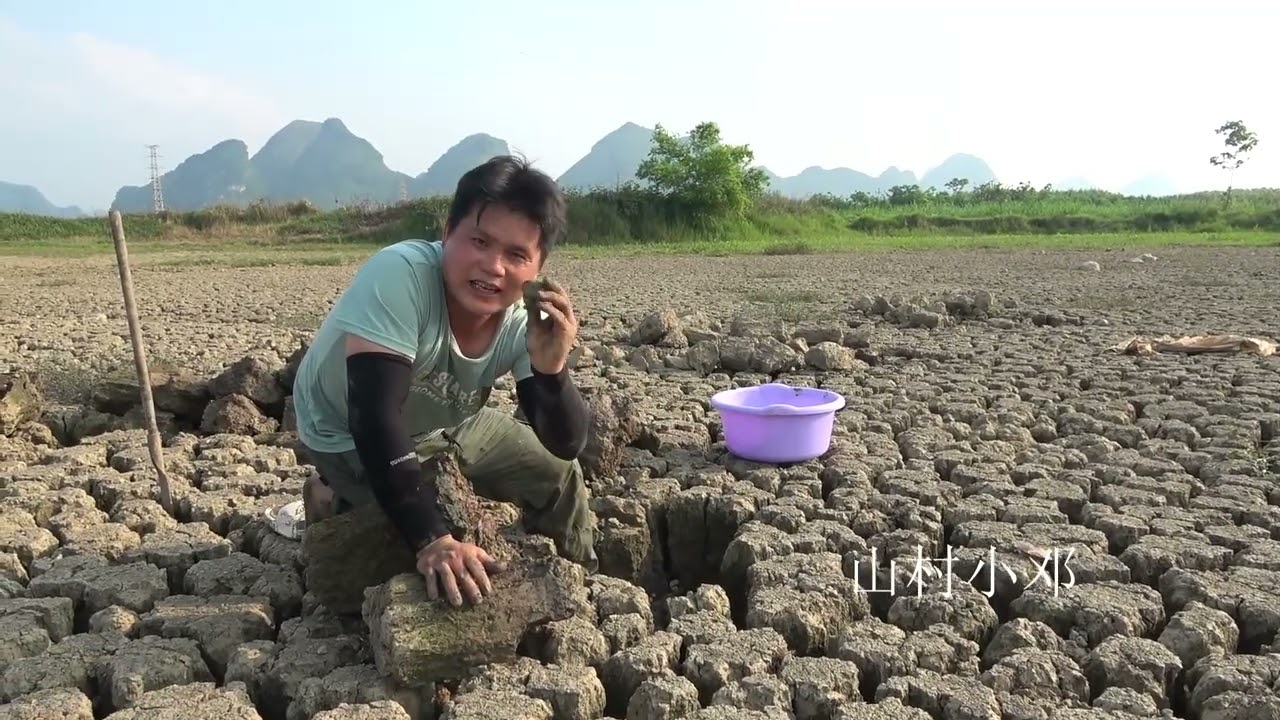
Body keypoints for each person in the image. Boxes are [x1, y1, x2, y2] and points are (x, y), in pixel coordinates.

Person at [289, 154, 597, 608]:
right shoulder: (401, 276)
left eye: (516, 255)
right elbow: (374, 419)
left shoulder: (523, 320)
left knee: (558, 474)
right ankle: (332, 499)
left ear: (538, 266)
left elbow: (566, 443)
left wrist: (551, 371)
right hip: (346, 432)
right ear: (448, 232)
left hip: (443, 421)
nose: (494, 266)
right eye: (479, 241)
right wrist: (433, 539)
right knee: (409, 538)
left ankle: (581, 586)